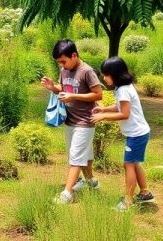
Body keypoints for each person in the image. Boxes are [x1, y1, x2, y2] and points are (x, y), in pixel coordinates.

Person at [42, 39, 103, 204]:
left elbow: (98, 94)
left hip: (85, 121)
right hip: (70, 120)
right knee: (84, 155)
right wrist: (52, 87)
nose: (62, 65)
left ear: (74, 55)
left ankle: (67, 194)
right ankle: (91, 182)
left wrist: (73, 96)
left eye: (63, 61)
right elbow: (63, 88)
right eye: (59, 62)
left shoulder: (87, 71)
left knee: (76, 157)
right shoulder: (64, 70)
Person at [91, 56, 154, 211]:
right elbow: (120, 107)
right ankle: (145, 192)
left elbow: (124, 114)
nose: (104, 79)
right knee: (134, 163)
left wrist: (103, 116)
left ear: (116, 74)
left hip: (137, 134)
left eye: (106, 75)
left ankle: (128, 201)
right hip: (139, 133)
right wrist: (104, 109)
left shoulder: (124, 90)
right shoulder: (123, 88)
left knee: (128, 165)